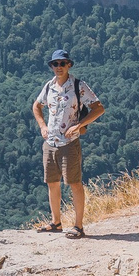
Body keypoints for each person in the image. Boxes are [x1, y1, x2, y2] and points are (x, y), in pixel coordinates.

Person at [30, 49, 104, 236]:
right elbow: (36, 106)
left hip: (70, 142)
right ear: (52, 66)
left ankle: (78, 226)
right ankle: (56, 223)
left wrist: (80, 125)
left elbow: (99, 108)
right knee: (52, 182)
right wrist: (42, 126)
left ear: (69, 65)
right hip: (51, 142)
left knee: (74, 183)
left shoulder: (79, 86)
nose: (59, 67)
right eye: (55, 64)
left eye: (62, 63)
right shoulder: (49, 86)